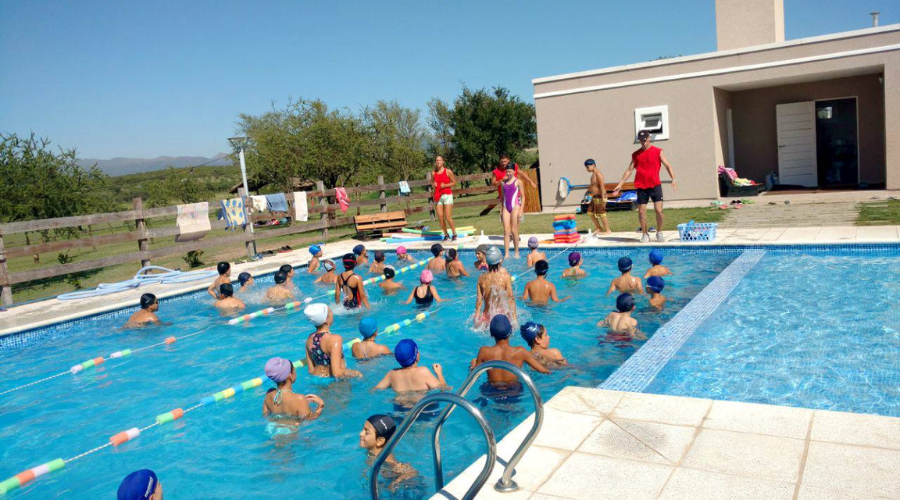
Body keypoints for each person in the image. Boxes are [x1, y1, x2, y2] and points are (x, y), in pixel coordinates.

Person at [611, 129, 678, 243]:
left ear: (649, 138)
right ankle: (645, 234)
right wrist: (620, 184)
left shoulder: (658, 151)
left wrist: (673, 178)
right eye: (641, 140)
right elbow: (629, 170)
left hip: (655, 185)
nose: (643, 142)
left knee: (658, 210)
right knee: (641, 211)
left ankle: (659, 232)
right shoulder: (636, 155)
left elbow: (668, 165)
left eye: (645, 139)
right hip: (642, 186)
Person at [470, 315, 550, 385]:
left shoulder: (484, 352)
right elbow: (544, 371)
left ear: (491, 333)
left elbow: (474, 376)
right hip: (514, 390)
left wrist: (473, 365)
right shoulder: (520, 351)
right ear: (511, 331)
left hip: (491, 391)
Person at [359, 415, 417, 491]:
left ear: (380, 441)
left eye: (366, 432)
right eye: (363, 429)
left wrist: (395, 483)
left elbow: (412, 472)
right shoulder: (374, 454)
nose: (361, 433)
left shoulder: (386, 460)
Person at [303, 303, 361, 378]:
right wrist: (356, 373)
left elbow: (311, 370)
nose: (332, 313)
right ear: (326, 319)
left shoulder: (309, 339)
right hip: (333, 382)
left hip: (317, 380)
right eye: (330, 311)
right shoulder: (335, 339)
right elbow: (337, 373)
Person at [375, 339, 449, 392]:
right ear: (417, 355)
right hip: (420, 409)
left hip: (399, 408)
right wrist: (439, 373)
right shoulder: (423, 371)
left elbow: (375, 390)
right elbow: (444, 389)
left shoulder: (392, 374)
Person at [475, 247, 516, 325]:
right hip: (502, 317)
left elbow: (479, 300)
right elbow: (511, 298)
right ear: (500, 260)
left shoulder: (481, 278)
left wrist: (477, 320)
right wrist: (514, 320)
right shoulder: (506, 277)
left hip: (487, 317)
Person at [500, 164, 526, 259]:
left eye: (510, 171)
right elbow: (502, 198)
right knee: (506, 231)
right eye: (507, 171)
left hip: (515, 206)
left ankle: (516, 252)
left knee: (514, 230)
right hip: (506, 207)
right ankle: (506, 253)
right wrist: (501, 209)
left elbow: (523, 197)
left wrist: (521, 210)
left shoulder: (518, 182)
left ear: (514, 172)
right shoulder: (503, 183)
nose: (508, 173)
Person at [431, 155, 459, 241]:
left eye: (440, 160)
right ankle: (446, 234)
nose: (438, 162)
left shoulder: (448, 171)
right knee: (440, 217)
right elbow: (432, 184)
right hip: (437, 196)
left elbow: (454, 182)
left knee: (448, 217)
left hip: (447, 195)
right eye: (437, 160)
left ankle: (454, 233)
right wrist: (434, 185)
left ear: (443, 162)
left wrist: (445, 185)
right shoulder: (433, 173)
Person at [584, 158, 611, 235]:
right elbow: (593, 186)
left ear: (594, 165)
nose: (587, 169)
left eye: (588, 167)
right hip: (595, 197)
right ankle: (598, 228)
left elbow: (602, 187)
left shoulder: (598, 174)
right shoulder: (593, 175)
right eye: (586, 167)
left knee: (602, 214)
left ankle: (607, 230)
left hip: (600, 196)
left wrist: (603, 199)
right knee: (590, 212)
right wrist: (588, 191)